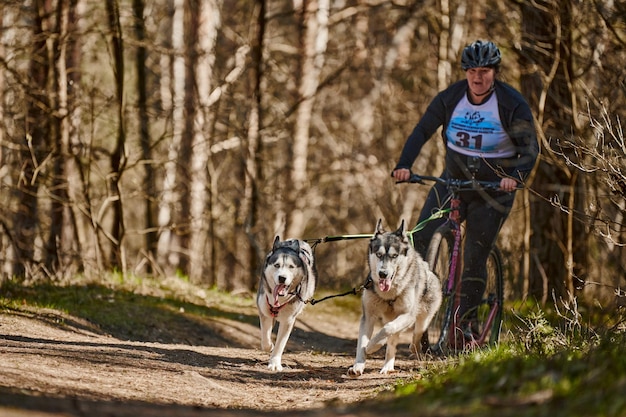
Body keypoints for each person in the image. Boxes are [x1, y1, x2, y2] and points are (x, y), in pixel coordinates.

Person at [391, 40, 538, 340]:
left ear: (495, 72)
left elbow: (530, 148)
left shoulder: (512, 104)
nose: (477, 77)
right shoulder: (451, 98)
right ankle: (415, 309)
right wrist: (404, 164)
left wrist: (516, 177)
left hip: (494, 189)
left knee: (474, 254)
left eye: (484, 71)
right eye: (472, 71)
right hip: (454, 181)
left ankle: (466, 324)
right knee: (422, 234)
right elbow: (422, 130)